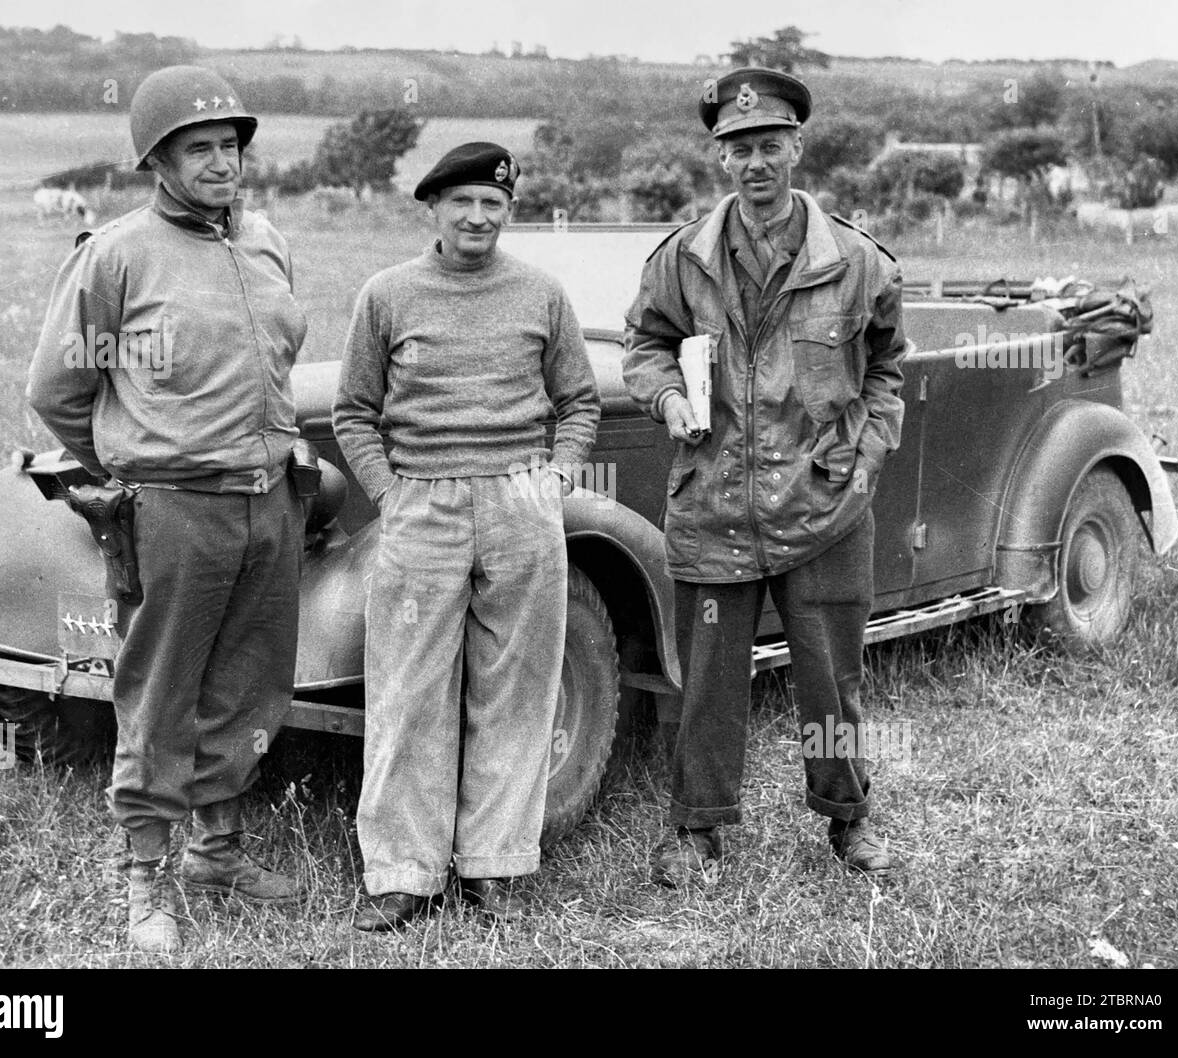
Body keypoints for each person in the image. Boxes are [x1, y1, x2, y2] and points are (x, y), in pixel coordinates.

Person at [27, 65, 308, 953]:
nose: (223, 163)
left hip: (269, 500)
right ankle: (143, 875)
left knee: (250, 683)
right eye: (200, 150)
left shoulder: (263, 241)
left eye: (230, 146)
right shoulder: (116, 255)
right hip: (175, 510)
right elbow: (59, 389)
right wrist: (127, 464)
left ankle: (217, 853)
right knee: (159, 692)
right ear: (158, 161)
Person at [622, 67, 909, 885]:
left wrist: (871, 448)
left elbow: (887, 365)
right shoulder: (682, 260)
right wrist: (669, 396)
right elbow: (644, 347)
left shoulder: (857, 261)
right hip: (715, 500)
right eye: (739, 148)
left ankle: (849, 820)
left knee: (833, 682)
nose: (756, 163)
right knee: (709, 681)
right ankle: (698, 829)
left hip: (824, 504)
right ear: (720, 158)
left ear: (797, 149)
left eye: (770, 145)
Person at [333, 142, 600, 931]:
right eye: (464, 204)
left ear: (507, 211)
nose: (479, 217)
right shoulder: (387, 295)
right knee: (408, 689)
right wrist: (390, 491)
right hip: (422, 507)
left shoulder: (541, 293)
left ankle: (494, 865)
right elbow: (353, 410)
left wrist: (552, 482)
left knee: (515, 690)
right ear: (435, 210)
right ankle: (404, 873)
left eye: (494, 204)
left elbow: (579, 401)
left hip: (522, 506)